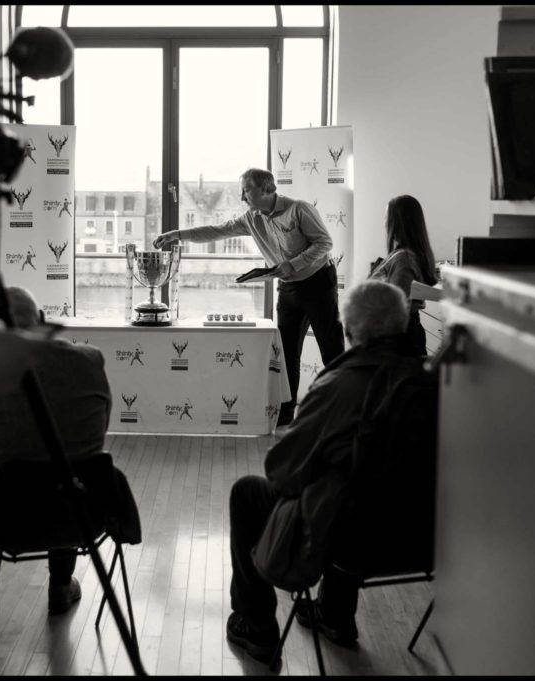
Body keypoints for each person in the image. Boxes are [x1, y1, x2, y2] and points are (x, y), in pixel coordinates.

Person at [224, 279, 416, 664]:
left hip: (346, 534)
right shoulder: (431, 383)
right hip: (418, 536)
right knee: (361, 484)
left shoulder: (338, 386)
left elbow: (281, 471)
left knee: (250, 492)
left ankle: (256, 624)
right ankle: (335, 614)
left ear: (348, 329)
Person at [0, 286, 141, 617]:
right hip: (85, 518)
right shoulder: (90, 359)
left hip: (7, 521)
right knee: (69, 469)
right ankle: (61, 586)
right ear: (42, 320)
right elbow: (99, 433)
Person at [153, 167, 344, 426]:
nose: (242, 197)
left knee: (331, 350)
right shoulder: (251, 218)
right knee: (287, 355)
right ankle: (286, 413)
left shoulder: (299, 209)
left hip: (319, 283)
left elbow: (324, 243)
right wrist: (177, 235)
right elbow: (217, 230)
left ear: (266, 188)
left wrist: (294, 263)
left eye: (246, 191)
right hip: (289, 288)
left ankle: (341, 413)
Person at [368, 195, 438, 356]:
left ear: (397, 222)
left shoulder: (404, 259)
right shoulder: (403, 254)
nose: (384, 222)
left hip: (399, 342)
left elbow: (397, 308)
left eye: (386, 217)